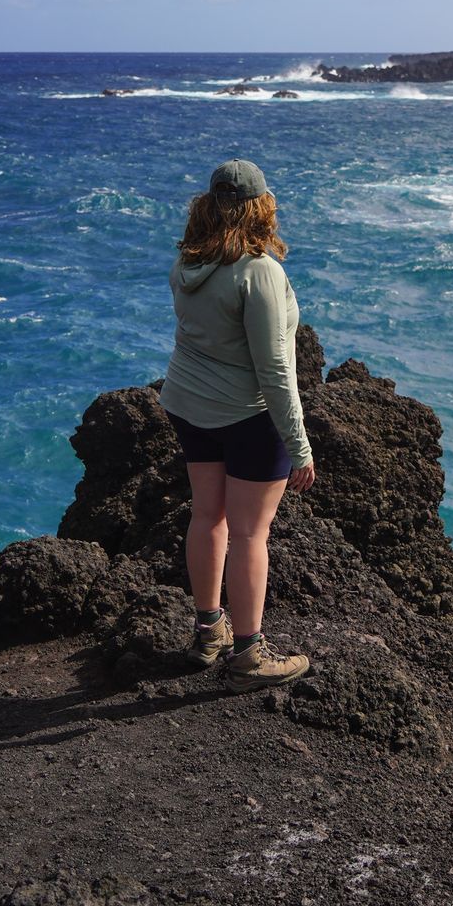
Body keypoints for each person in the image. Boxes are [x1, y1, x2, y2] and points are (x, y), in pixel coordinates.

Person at [159, 158, 315, 689]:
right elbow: (275, 370)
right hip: (248, 416)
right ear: (260, 206)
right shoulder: (259, 272)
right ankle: (249, 652)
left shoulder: (188, 262)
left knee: (208, 517)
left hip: (189, 404)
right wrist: (300, 445)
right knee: (251, 532)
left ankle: (208, 631)